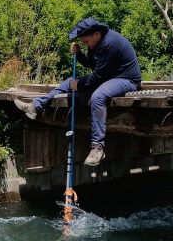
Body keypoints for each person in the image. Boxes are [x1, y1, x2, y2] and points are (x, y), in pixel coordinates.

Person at [14, 17, 141, 167]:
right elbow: (92, 64)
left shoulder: (110, 44)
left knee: (98, 97)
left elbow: (99, 76)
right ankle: (35, 106)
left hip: (126, 79)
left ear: (96, 34)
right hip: (109, 77)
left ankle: (97, 148)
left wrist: (79, 85)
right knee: (69, 82)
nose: (85, 44)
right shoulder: (95, 42)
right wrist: (79, 54)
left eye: (85, 42)